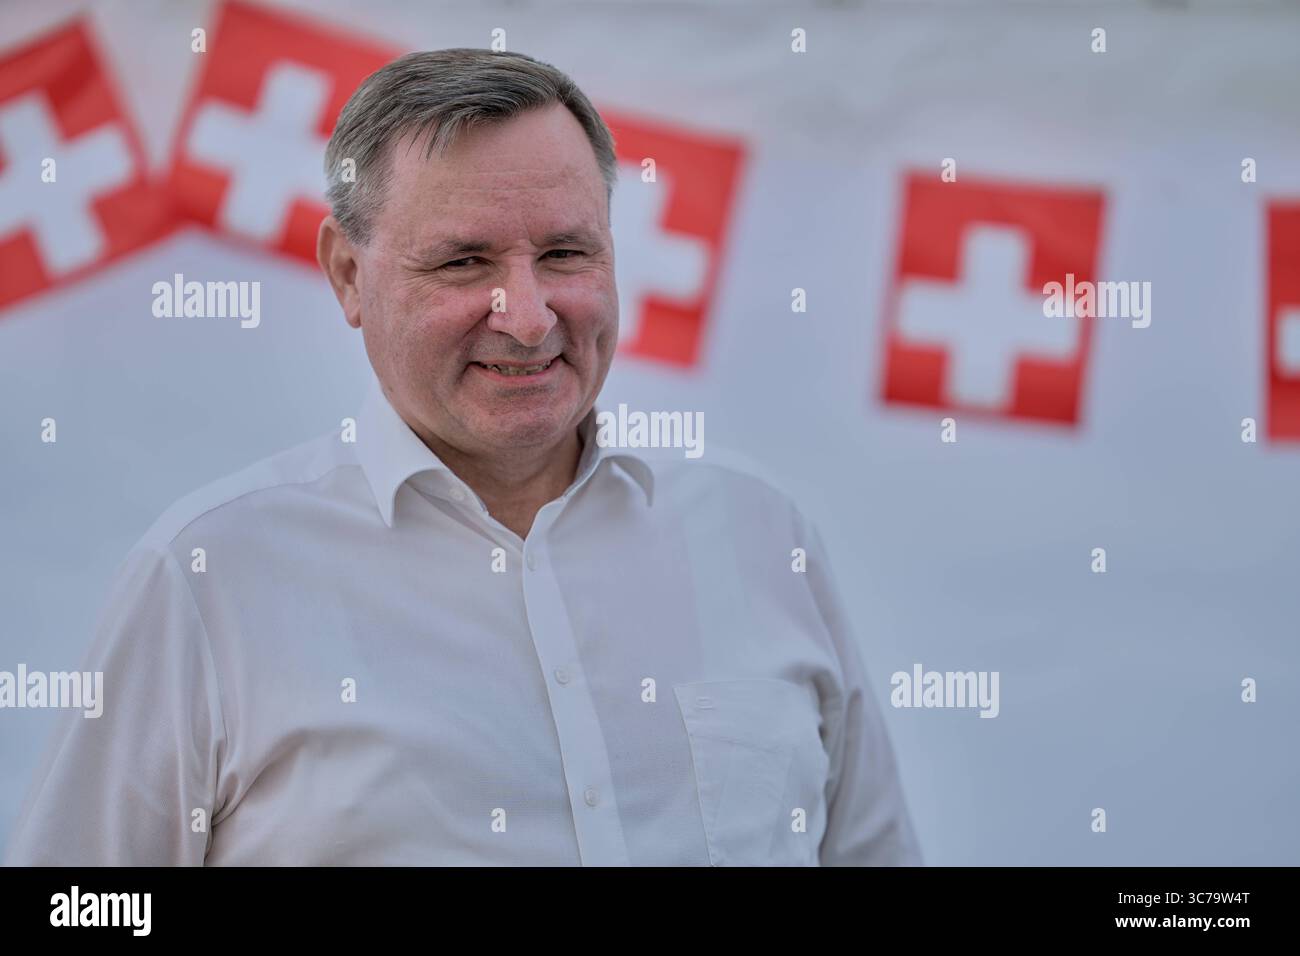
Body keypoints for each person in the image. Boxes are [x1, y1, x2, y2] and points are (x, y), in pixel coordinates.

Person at [4, 48, 919, 866]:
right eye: (462, 262)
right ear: (349, 275)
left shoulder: (762, 541)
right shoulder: (211, 578)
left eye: (565, 253)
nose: (526, 316)